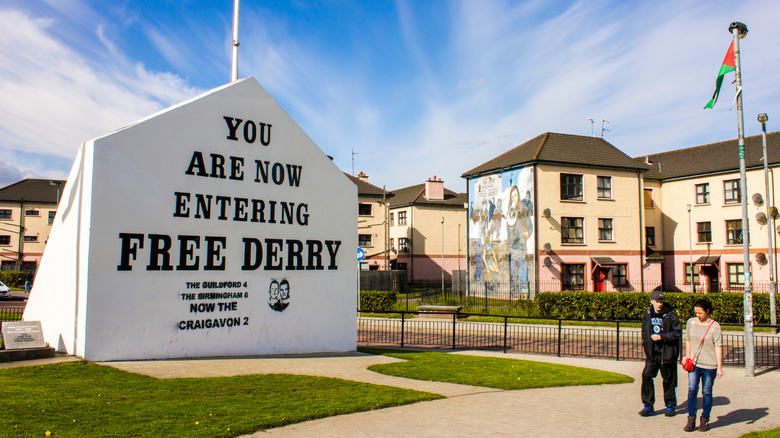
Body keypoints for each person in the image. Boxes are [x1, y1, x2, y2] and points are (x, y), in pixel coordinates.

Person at [639, 290, 682, 417]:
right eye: (657, 301)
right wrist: (646, 345)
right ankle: (648, 405)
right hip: (652, 354)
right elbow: (644, 332)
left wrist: (662, 337)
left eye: (661, 301)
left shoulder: (671, 315)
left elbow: (677, 333)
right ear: (652, 301)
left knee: (669, 379)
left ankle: (670, 405)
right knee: (646, 376)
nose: (659, 304)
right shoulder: (648, 315)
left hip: (667, 354)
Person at [683, 299, 723, 432]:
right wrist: (687, 355)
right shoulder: (691, 322)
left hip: (709, 365)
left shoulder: (714, 326)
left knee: (706, 392)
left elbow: (718, 347)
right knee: (692, 389)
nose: (698, 315)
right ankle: (691, 418)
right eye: (696, 313)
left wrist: (720, 367)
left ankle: (705, 419)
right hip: (694, 364)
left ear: (707, 311)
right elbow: (688, 339)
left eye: (700, 313)